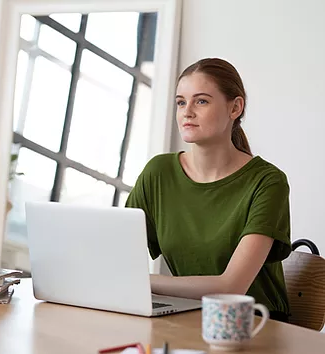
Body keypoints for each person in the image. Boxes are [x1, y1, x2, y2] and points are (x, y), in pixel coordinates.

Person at [125, 58, 291, 322]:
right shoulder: (158, 173)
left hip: (255, 326)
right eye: (181, 102)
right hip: (187, 317)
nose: (187, 112)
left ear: (235, 107)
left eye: (201, 101)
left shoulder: (267, 182)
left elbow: (231, 287)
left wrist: (140, 282)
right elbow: (118, 254)